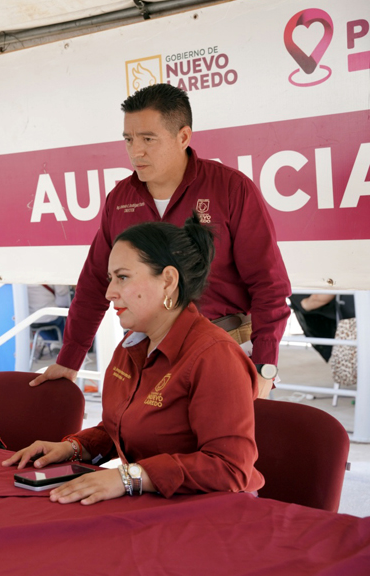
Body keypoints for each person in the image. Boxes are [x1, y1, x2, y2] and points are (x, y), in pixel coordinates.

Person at [32, 83, 290, 398]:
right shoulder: (120, 199)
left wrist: (265, 367)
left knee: (224, 446)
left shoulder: (231, 189)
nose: (135, 151)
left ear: (183, 137)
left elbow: (269, 286)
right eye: (128, 139)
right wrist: (69, 360)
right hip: (148, 354)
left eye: (148, 139)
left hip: (226, 345)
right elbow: (93, 284)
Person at [4, 216, 264, 504]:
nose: (109, 292)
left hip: (216, 515)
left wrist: (128, 476)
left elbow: (231, 468)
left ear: (168, 280)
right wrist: (73, 449)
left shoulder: (214, 355)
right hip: (156, 506)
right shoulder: (132, 345)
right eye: (110, 279)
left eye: (123, 277)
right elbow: (123, 428)